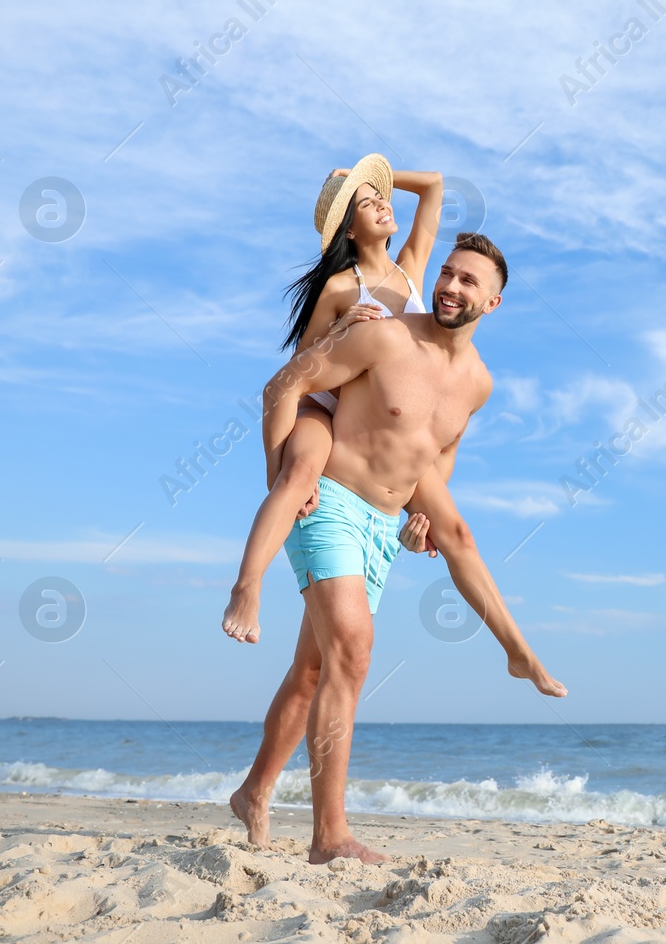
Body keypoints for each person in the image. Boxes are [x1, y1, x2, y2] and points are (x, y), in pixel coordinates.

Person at [228, 231, 567, 865]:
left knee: (312, 673)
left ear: (492, 304)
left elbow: (434, 458)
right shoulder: (384, 335)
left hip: (385, 528)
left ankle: (253, 792)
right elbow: (281, 389)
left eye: (469, 281)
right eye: (447, 273)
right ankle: (330, 837)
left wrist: (420, 523)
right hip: (329, 504)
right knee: (352, 654)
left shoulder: (480, 384)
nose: (450, 286)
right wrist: (281, 478)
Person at [222, 156, 443, 646]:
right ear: (348, 231)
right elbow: (291, 379)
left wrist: (362, 176)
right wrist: (338, 331)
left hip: (370, 429)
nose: (382, 203)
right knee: (298, 477)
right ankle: (246, 588)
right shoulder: (341, 287)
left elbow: (433, 186)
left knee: (316, 663)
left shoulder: (411, 271)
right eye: (367, 204)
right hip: (321, 411)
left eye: (379, 197)